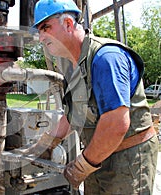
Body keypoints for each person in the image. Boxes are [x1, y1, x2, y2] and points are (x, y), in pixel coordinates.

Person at [26, 0, 159, 194]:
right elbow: (75, 114)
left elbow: (115, 124)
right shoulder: (73, 65)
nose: (41, 37)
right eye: (39, 30)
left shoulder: (106, 58)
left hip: (128, 160)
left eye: (46, 28)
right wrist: (47, 143)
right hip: (98, 157)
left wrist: (83, 165)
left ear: (68, 24)